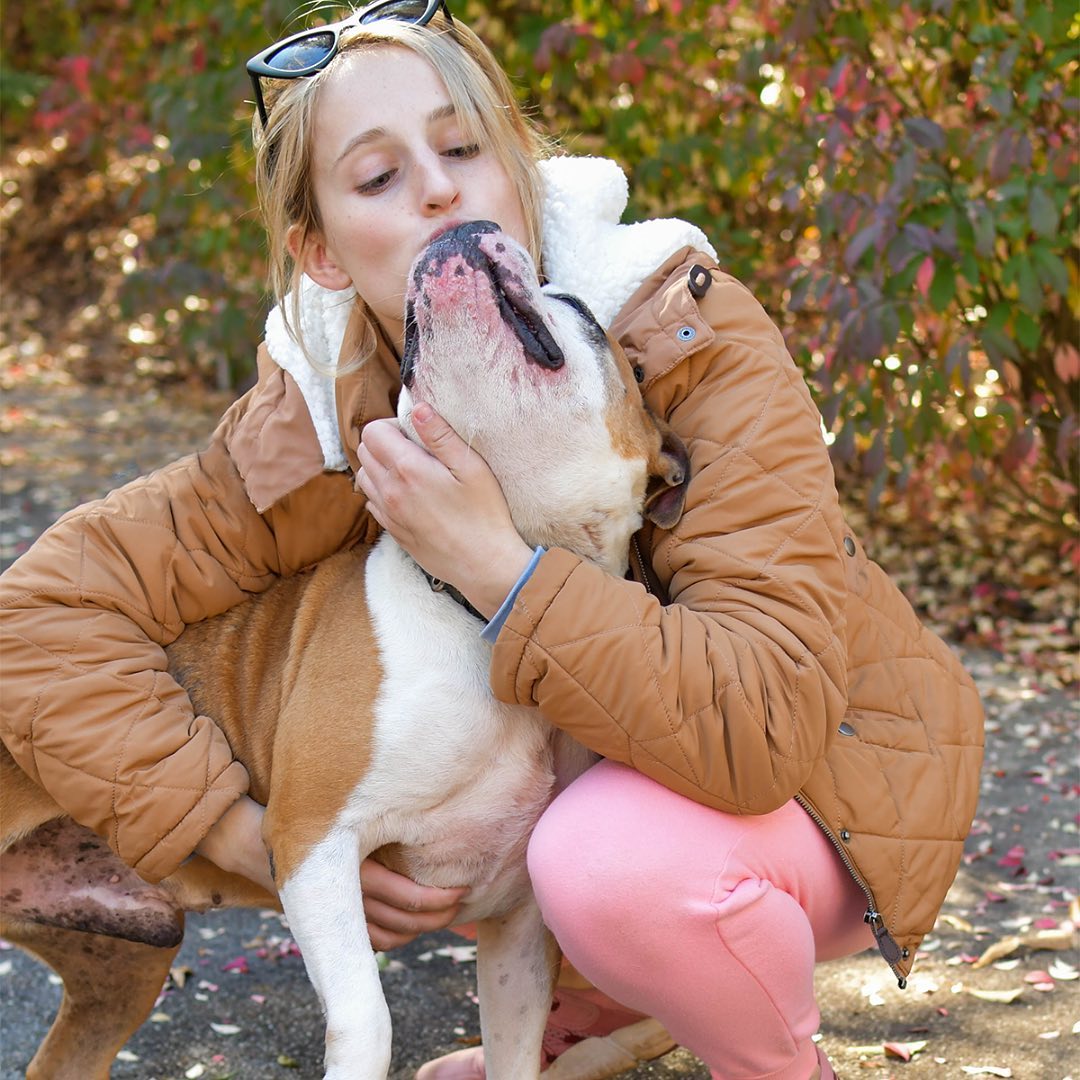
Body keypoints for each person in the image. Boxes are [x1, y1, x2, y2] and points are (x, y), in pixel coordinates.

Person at [0, 2, 985, 1078]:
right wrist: (238, 830)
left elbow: (762, 728)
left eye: (462, 148)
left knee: (599, 859)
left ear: (516, 164)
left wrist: (492, 567)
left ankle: (716, 1021)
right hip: (605, 786)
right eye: (377, 178)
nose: (435, 187)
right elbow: (41, 615)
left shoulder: (686, 337)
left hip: (828, 790)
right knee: (491, 749)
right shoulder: (318, 427)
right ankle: (609, 1000)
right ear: (320, 252)